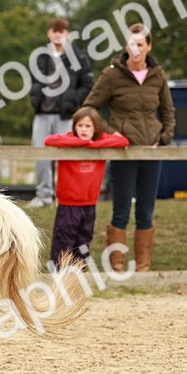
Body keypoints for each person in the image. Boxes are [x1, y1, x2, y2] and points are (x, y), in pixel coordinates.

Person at [82, 23, 175, 273]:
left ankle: (143, 265)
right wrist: (112, 134)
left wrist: (165, 136)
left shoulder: (158, 75)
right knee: (121, 209)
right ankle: (117, 264)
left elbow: (168, 110)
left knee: (146, 209)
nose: (136, 49)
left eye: (141, 44)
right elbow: (90, 108)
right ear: (126, 45)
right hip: (122, 152)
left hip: (151, 151)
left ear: (148, 47)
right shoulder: (112, 74)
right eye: (132, 44)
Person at [44, 107, 128, 269]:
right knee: (64, 239)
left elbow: (122, 141)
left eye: (88, 126)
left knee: (84, 239)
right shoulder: (68, 141)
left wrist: (94, 144)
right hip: (68, 203)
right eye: (80, 125)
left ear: (96, 127)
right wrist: (82, 142)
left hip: (89, 203)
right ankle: (59, 272)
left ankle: (79, 271)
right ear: (74, 126)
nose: (83, 129)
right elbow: (50, 140)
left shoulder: (99, 142)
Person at [31, 18, 94, 208]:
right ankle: (43, 195)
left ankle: (65, 197)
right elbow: (32, 81)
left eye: (62, 31)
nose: (58, 34)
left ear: (68, 33)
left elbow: (88, 84)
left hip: (66, 115)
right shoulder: (40, 56)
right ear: (48, 33)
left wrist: (74, 100)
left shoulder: (79, 57)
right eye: (54, 30)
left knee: (67, 158)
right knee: (40, 156)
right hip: (42, 113)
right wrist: (35, 98)